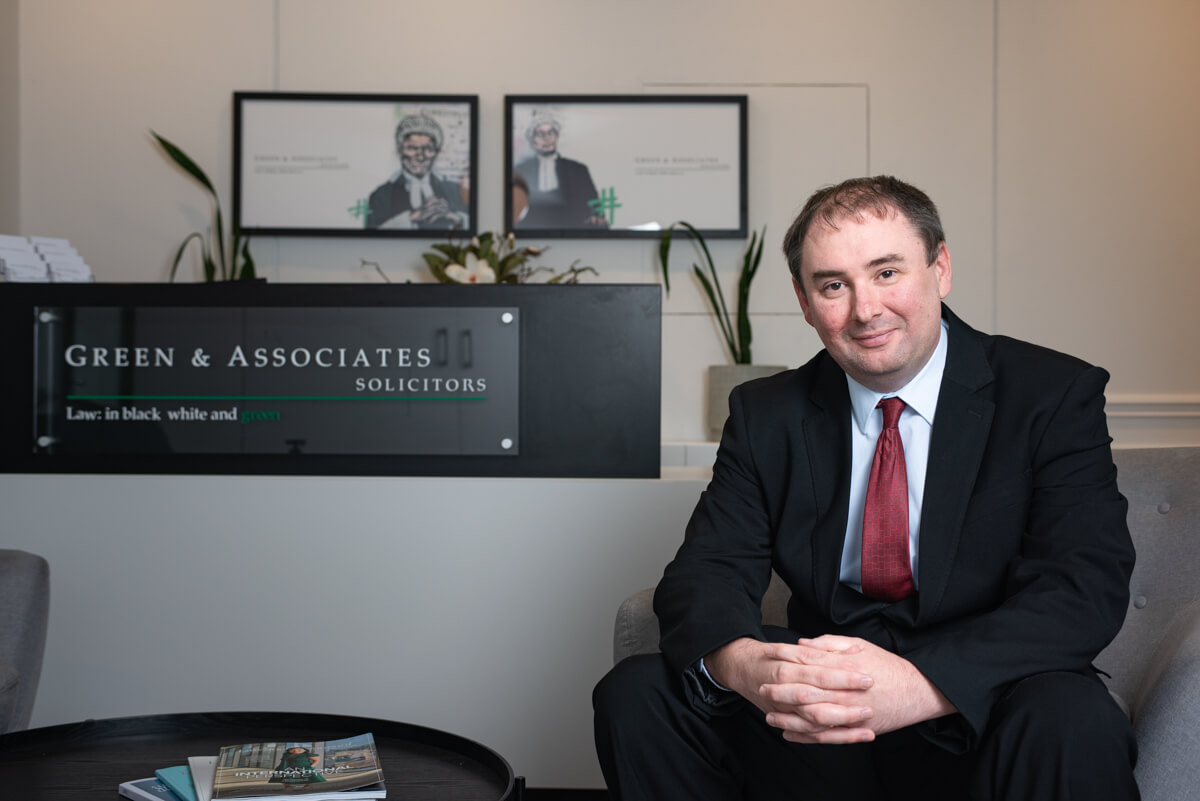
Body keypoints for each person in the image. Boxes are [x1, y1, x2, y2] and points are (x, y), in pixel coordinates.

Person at [593, 176, 1139, 800]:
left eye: (886, 273)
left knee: (1074, 718)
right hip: (824, 711)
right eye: (834, 285)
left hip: (984, 702)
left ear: (940, 267)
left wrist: (919, 685)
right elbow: (707, 571)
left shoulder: (1050, 394)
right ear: (804, 302)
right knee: (638, 694)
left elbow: (1081, 587)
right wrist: (746, 665)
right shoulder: (767, 414)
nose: (865, 309)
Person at [365, 114, 469, 231]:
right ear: (400, 151)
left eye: (428, 149)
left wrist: (455, 217)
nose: (420, 157)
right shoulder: (381, 195)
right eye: (412, 148)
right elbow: (371, 233)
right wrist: (412, 218)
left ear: (436, 153)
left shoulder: (455, 191)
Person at [512, 113, 608, 231]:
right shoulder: (521, 169)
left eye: (551, 133)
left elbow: (594, 206)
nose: (547, 138)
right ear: (532, 140)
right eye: (540, 134)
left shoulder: (578, 169)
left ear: (557, 136)